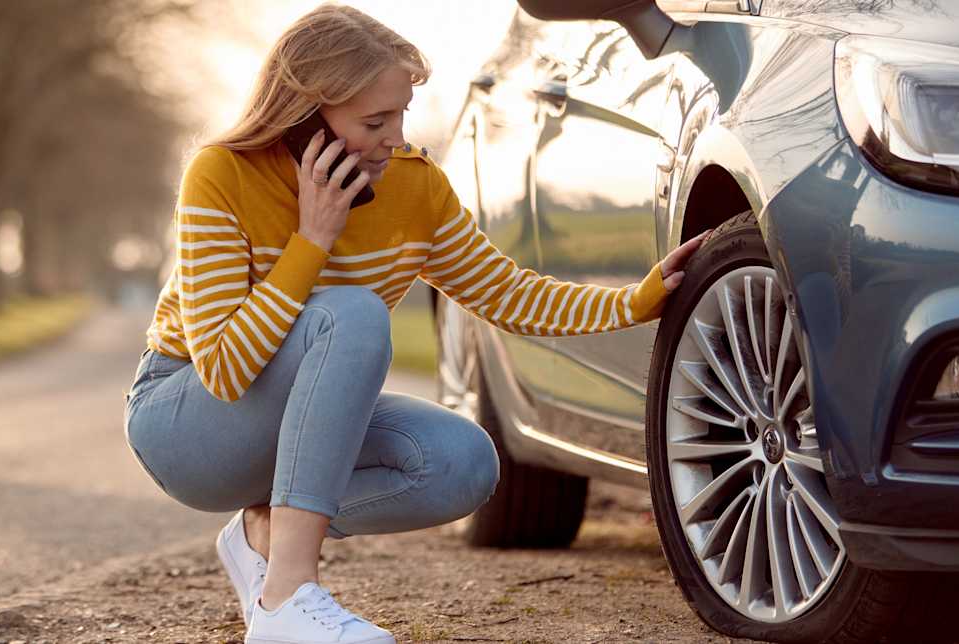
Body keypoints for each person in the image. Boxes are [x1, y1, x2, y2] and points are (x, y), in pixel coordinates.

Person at [123, 4, 708, 643]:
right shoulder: (223, 176)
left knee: (462, 463)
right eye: (374, 121)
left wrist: (634, 301)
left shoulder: (414, 187)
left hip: (293, 424)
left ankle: (263, 533)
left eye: (400, 114)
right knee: (350, 310)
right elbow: (226, 370)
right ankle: (286, 599)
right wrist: (312, 240)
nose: (395, 138)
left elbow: (508, 293)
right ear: (303, 118)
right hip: (187, 423)